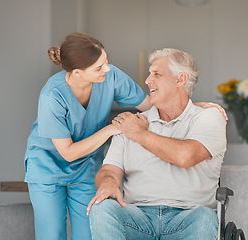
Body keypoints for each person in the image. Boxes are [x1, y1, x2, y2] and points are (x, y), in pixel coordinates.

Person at [24, 33, 226, 240]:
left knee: (86, 233)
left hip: (85, 164)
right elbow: (67, 153)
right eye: (98, 67)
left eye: (106, 62)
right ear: (77, 72)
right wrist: (113, 129)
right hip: (49, 166)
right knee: (51, 232)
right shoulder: (52, 95)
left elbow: (152, 103)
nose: (107, 69)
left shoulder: (110, 78)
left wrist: (195, 106)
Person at [87, 48, 227, 240]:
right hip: (138, 217)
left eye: (157, 74)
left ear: (180, 80)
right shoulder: (131, 123)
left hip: (188, 217)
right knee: (102, 208)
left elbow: (185, 156)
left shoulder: (209, 117)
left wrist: (139, 134)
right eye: (149, 73)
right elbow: (109, 170)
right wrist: (108, 183)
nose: (147, 80)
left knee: (205, 218)